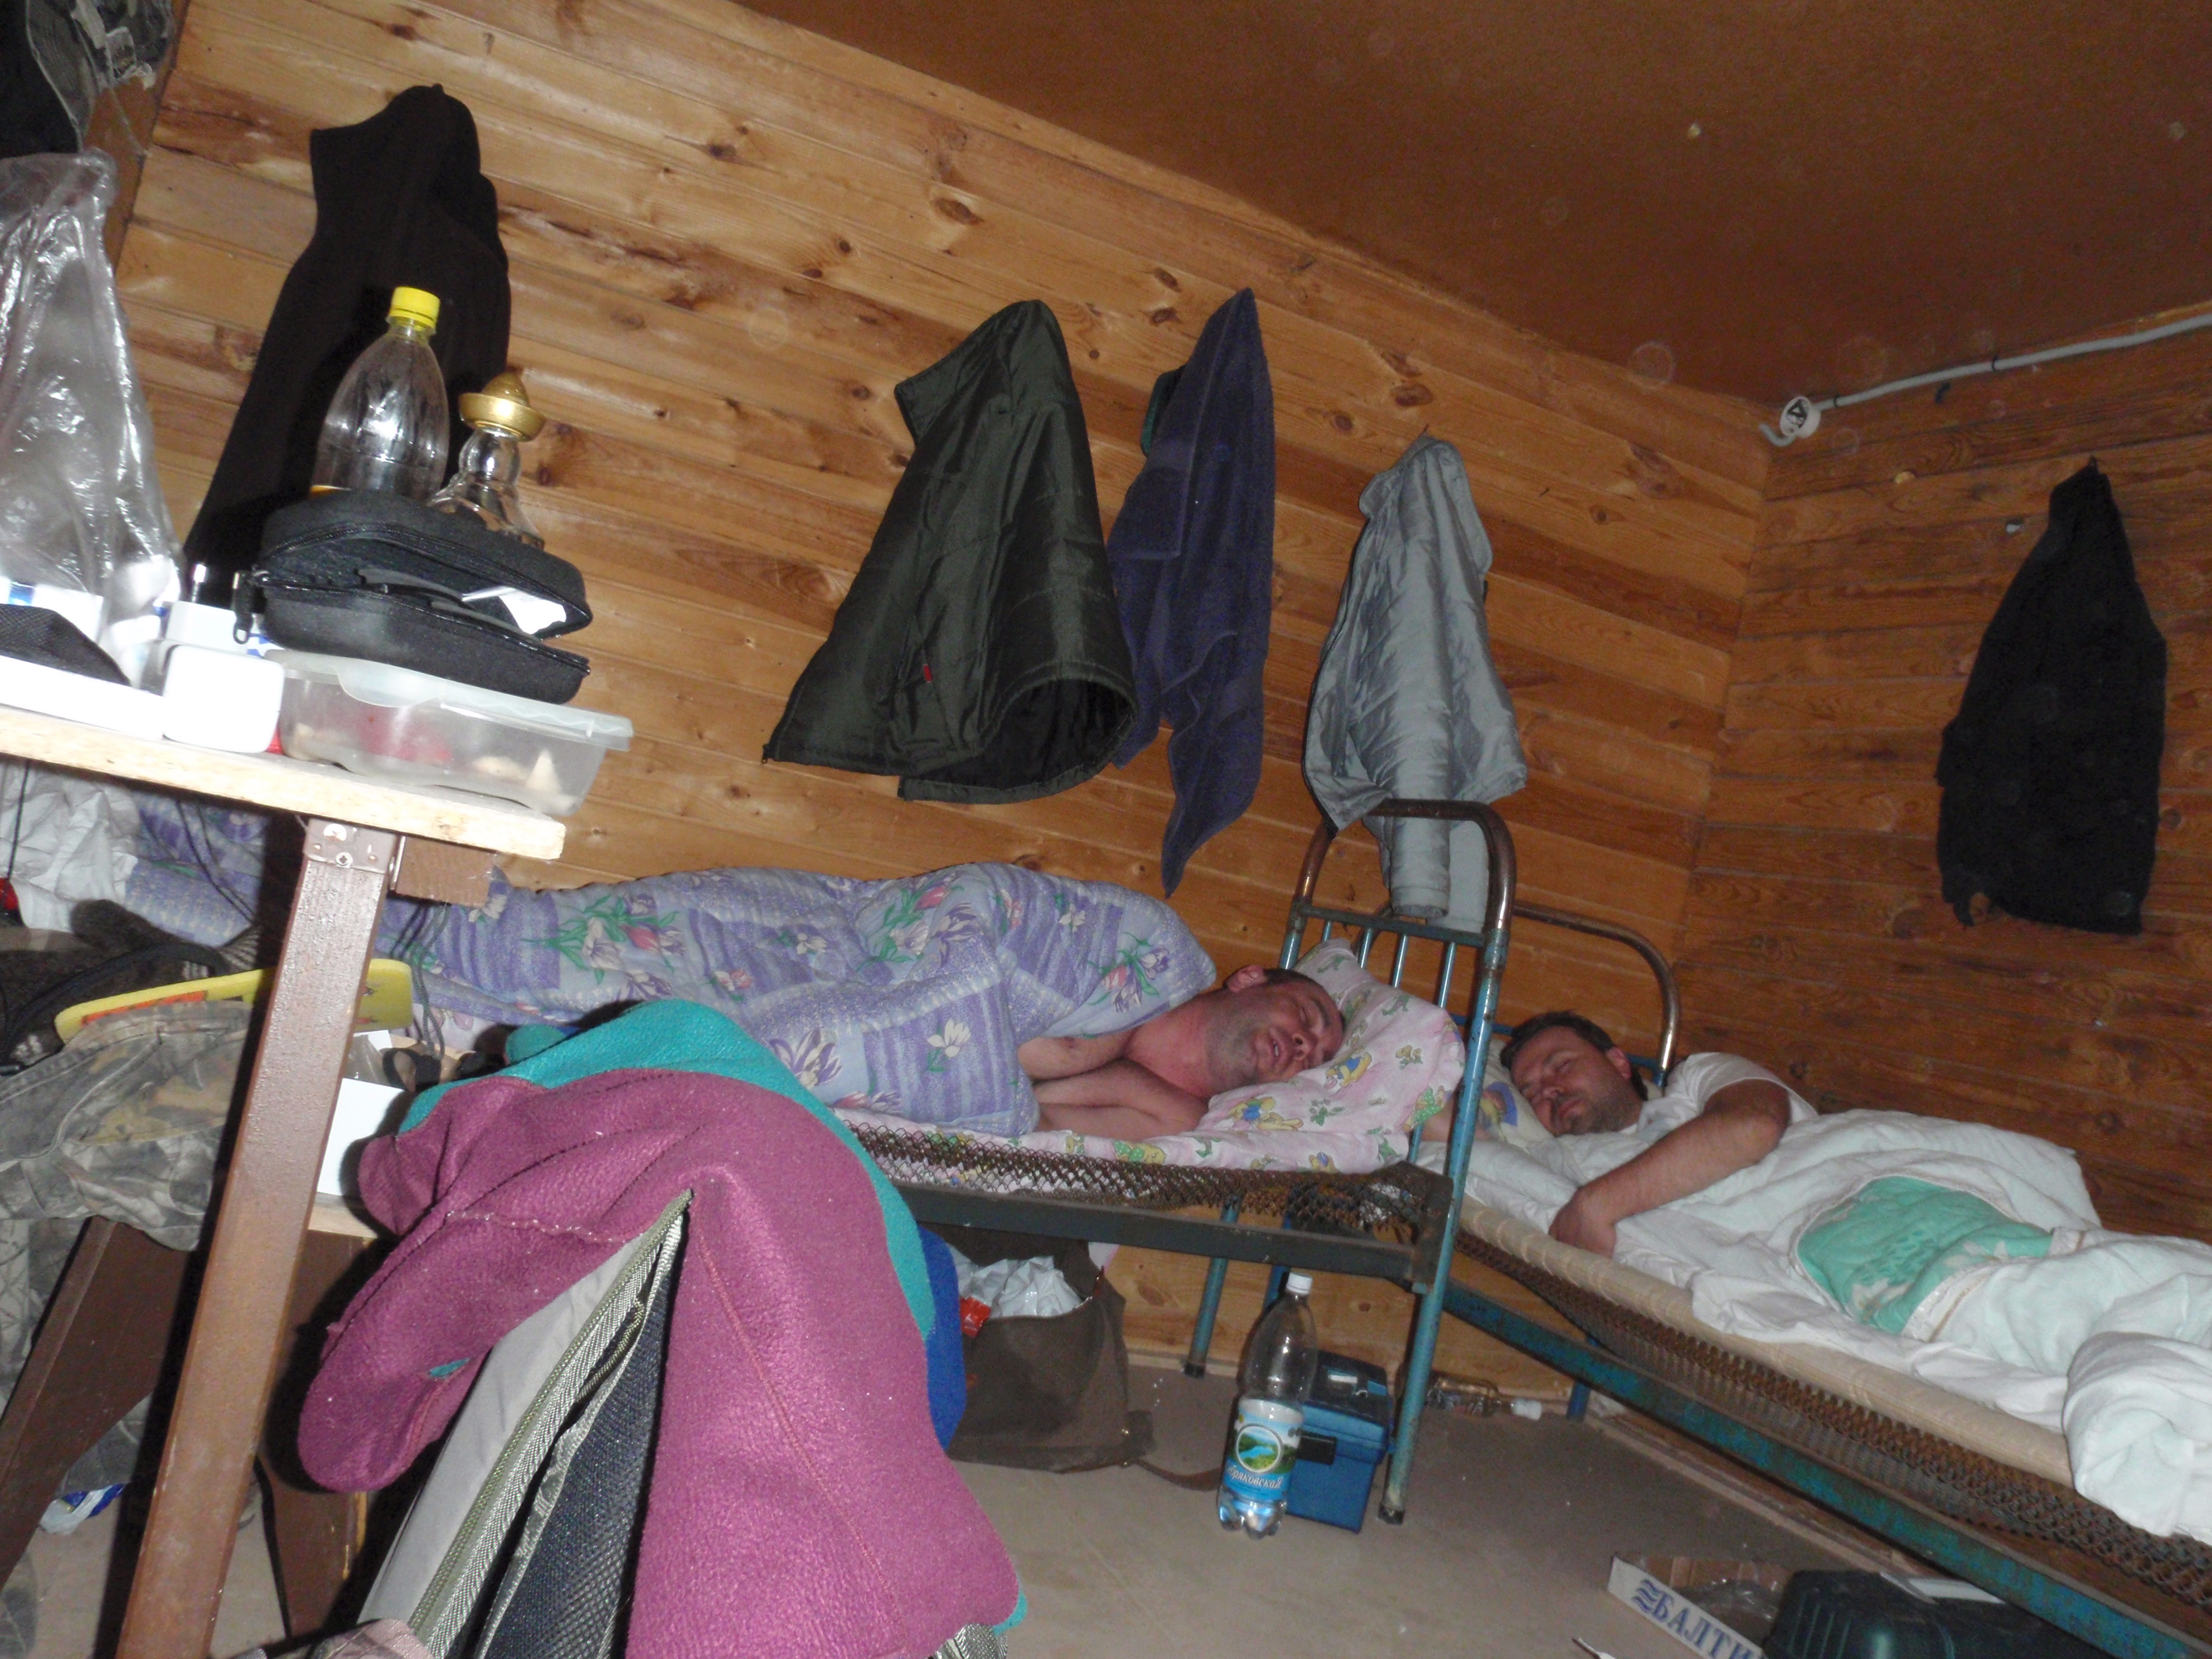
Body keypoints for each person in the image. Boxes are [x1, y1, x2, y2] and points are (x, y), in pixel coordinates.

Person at [1498, 1011, 1811, 1257]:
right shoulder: (1560, 1167)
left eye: (1562, 1066)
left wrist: (1598, 1205)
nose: (1549, 1090)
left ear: (1618, 1062)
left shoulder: (1697, 1080)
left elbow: (1754, 1125)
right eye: (1532, 1093)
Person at [1018, 966, 1343, 1142]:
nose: (1304, 1045)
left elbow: (1029, 1131)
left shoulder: (1175, 1121)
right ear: (1248, 979)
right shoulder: (1146, 963)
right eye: (1305, 1015)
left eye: (1313, 1062)